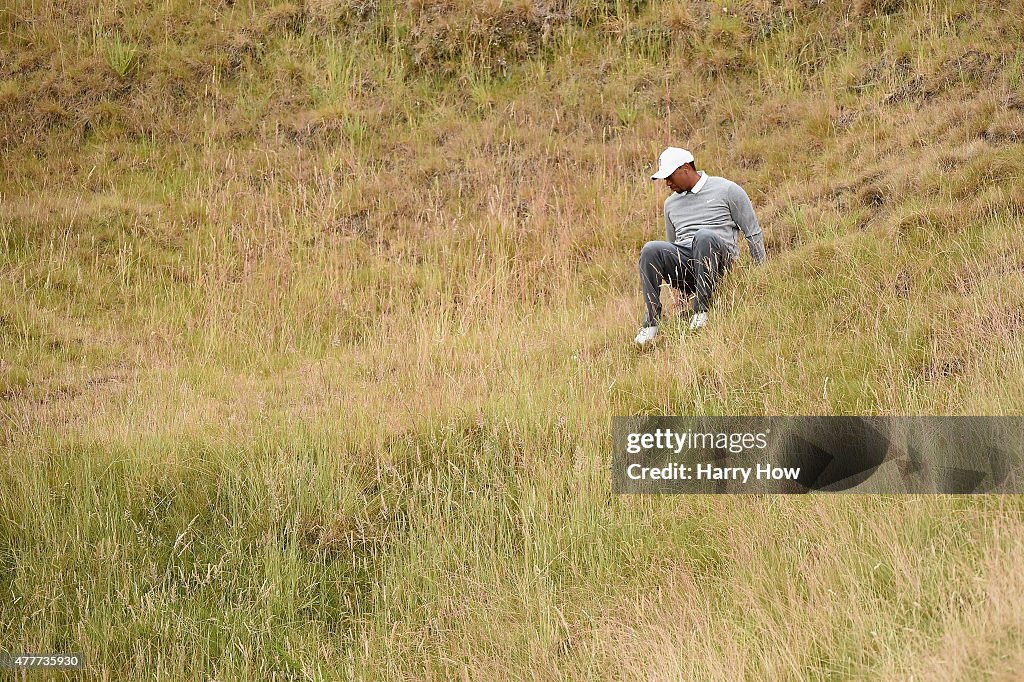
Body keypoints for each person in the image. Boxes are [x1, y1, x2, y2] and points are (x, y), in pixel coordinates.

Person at [634, 147, 767, 346]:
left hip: (721, 262)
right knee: (650, 249)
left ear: (686, 168)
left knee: (703, 236)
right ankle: (651, 322)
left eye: (670, 177)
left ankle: (701, 310)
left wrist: (761, 274)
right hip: (688, 267)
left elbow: (752, 232)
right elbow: (674, 245)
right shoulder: (670, 204)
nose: (667, 183)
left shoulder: (727, 189)